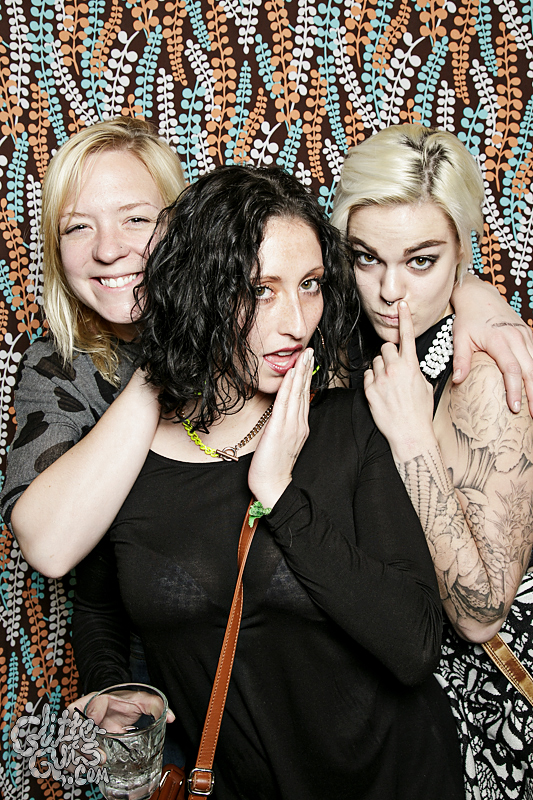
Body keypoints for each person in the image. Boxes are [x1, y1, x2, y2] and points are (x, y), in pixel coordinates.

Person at [72, 164, 465, 800]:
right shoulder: (127, 457)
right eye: (261, 290)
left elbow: (415, 644)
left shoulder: (353, 424)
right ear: (199, 288)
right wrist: (111, 685)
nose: (297, 322)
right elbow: (97, 607)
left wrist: (281, 495)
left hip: (399, 781)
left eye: (310, 285)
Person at [330, 124, 533, 798]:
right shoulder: (337, 342)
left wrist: (414, 440)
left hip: (478, 722)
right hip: (370, 717)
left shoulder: (484, 375)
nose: (390, 290)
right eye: (366, 258)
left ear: (460, 254)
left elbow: (480, 615)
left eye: (421, 261)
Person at [0, 117, 186, 576]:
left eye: (135, 219)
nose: (107, 250)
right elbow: (48, 548)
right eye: (79, 227)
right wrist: (160, 367)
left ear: (183, 227)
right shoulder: (57, 368)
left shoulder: (255, 331)